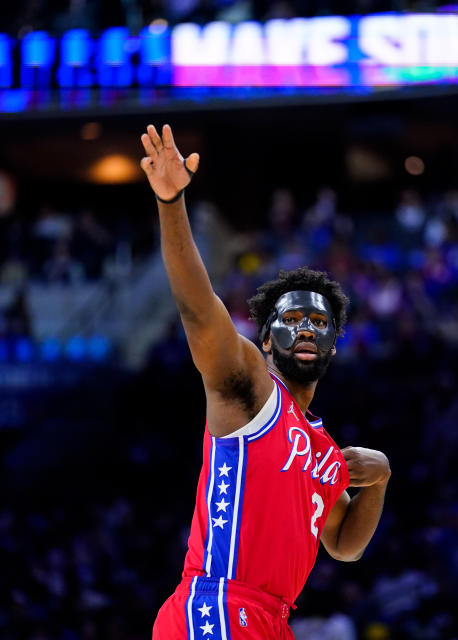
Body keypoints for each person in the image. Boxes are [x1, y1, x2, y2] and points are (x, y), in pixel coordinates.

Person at [141, 124, 391, 639]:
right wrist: (171, 203)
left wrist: (381, 478)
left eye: (319, 323)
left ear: (333, 348)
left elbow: (344, 544)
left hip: (271, 619)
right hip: (217, 606)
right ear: (269, 342)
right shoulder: (252, 387)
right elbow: (198, 310)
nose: (305, 327)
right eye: (292, 319)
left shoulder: (323, 449)